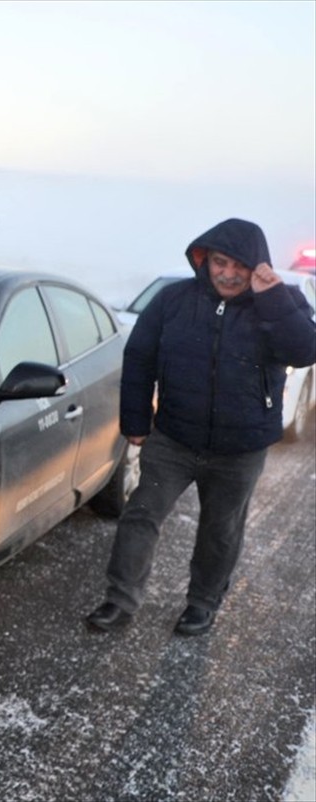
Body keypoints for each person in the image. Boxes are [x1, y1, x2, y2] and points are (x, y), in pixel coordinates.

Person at [86, 218, 316, 636]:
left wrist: (273, 299)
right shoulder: (172, 300)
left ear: (258, 267)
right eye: (219, 262)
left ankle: (202, 604)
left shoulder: (281, 303)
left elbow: (305, 351)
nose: (228, 273)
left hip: (240, 449)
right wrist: (136, 420)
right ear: (203, 260)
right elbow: (140, 357)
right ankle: (119, 601)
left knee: (220, 529)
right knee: (140, 515)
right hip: (173, 437)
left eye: (239, 265)